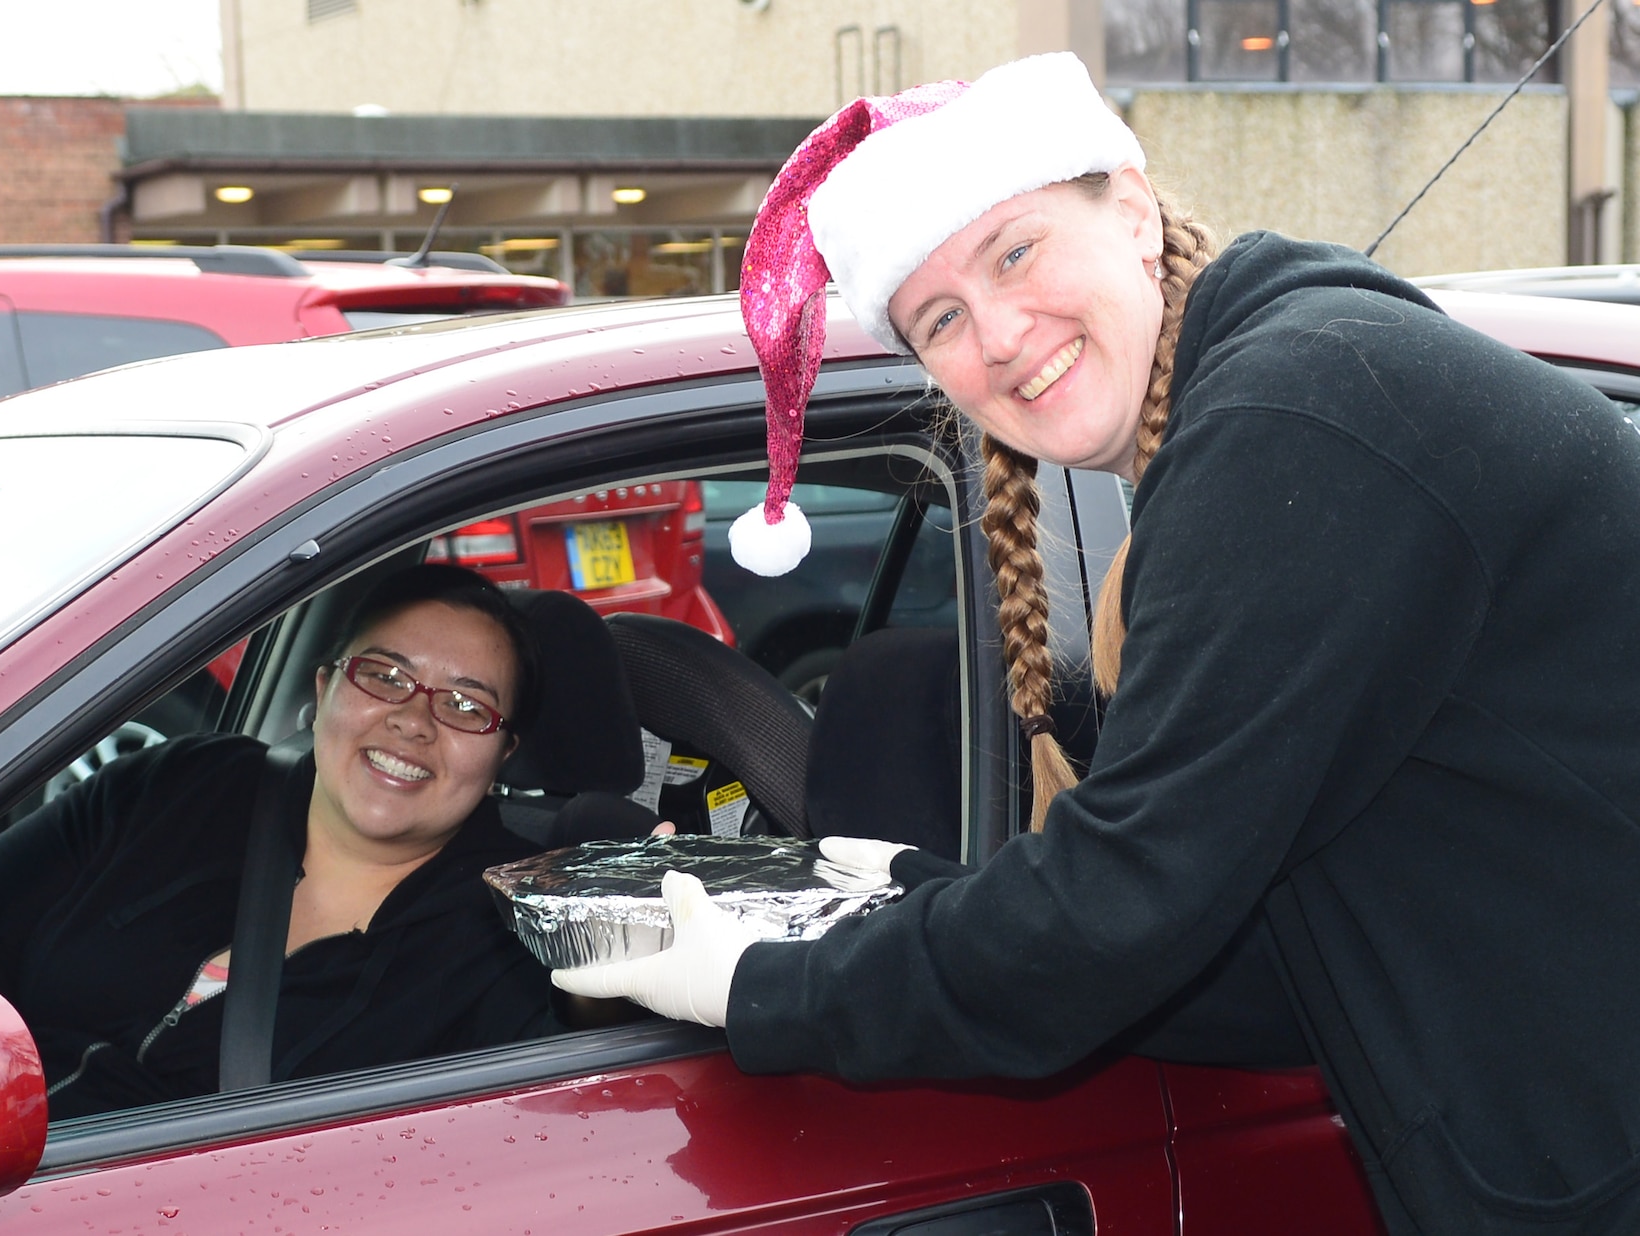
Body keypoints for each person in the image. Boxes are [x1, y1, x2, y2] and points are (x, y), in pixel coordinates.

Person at [554, 53, 1640, 1236]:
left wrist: (763, 988)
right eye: (941, 322)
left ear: (1129, 210)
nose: (1002, 336)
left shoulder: (1297, 418)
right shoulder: (1278, 392)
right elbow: (1251, 950)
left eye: (1013, 252)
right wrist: (922, 898)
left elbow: (1121, 916)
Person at [0, 564, 562, 1118]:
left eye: (467, 705)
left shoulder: (512, 935)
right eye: (384, 676)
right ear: (324, 688)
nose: (414, 719)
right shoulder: (176, 789)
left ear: (504, 755)